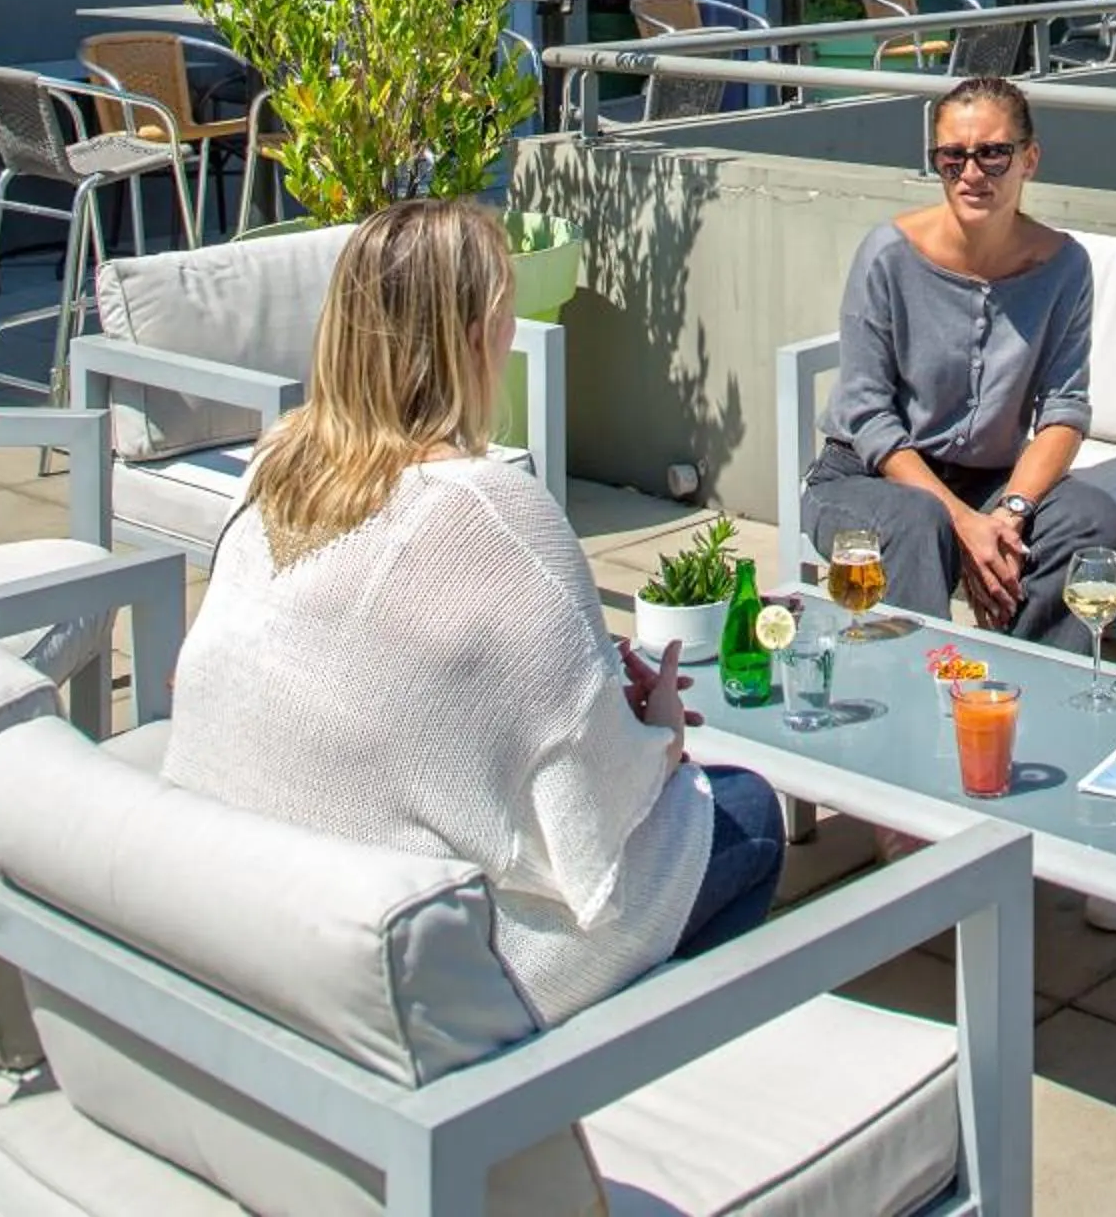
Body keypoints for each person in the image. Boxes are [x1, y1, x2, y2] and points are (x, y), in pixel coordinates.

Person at [164, 197, 784, 1023]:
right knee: (745, 814)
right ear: (472, 339)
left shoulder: (278, 464)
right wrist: (660, 735)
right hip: (414, 971)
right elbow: (602, 810)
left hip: (237, 900)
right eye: (504, 314)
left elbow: (380, 669)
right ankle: (628, 1050)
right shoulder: (490, 511)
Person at [802, 75, 1116, 649]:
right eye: (952, 157)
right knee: (918, 522)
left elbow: (1064, 409)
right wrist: (961, 519)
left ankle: (1022, 678)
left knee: (1090, 520)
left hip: (989, 481)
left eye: (993, 154)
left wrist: (1009, 515)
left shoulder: (1064, 266)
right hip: (869, 476)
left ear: (1029, 160)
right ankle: (914, 688)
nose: (971, 173)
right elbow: (867, 415)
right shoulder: (889, 254)